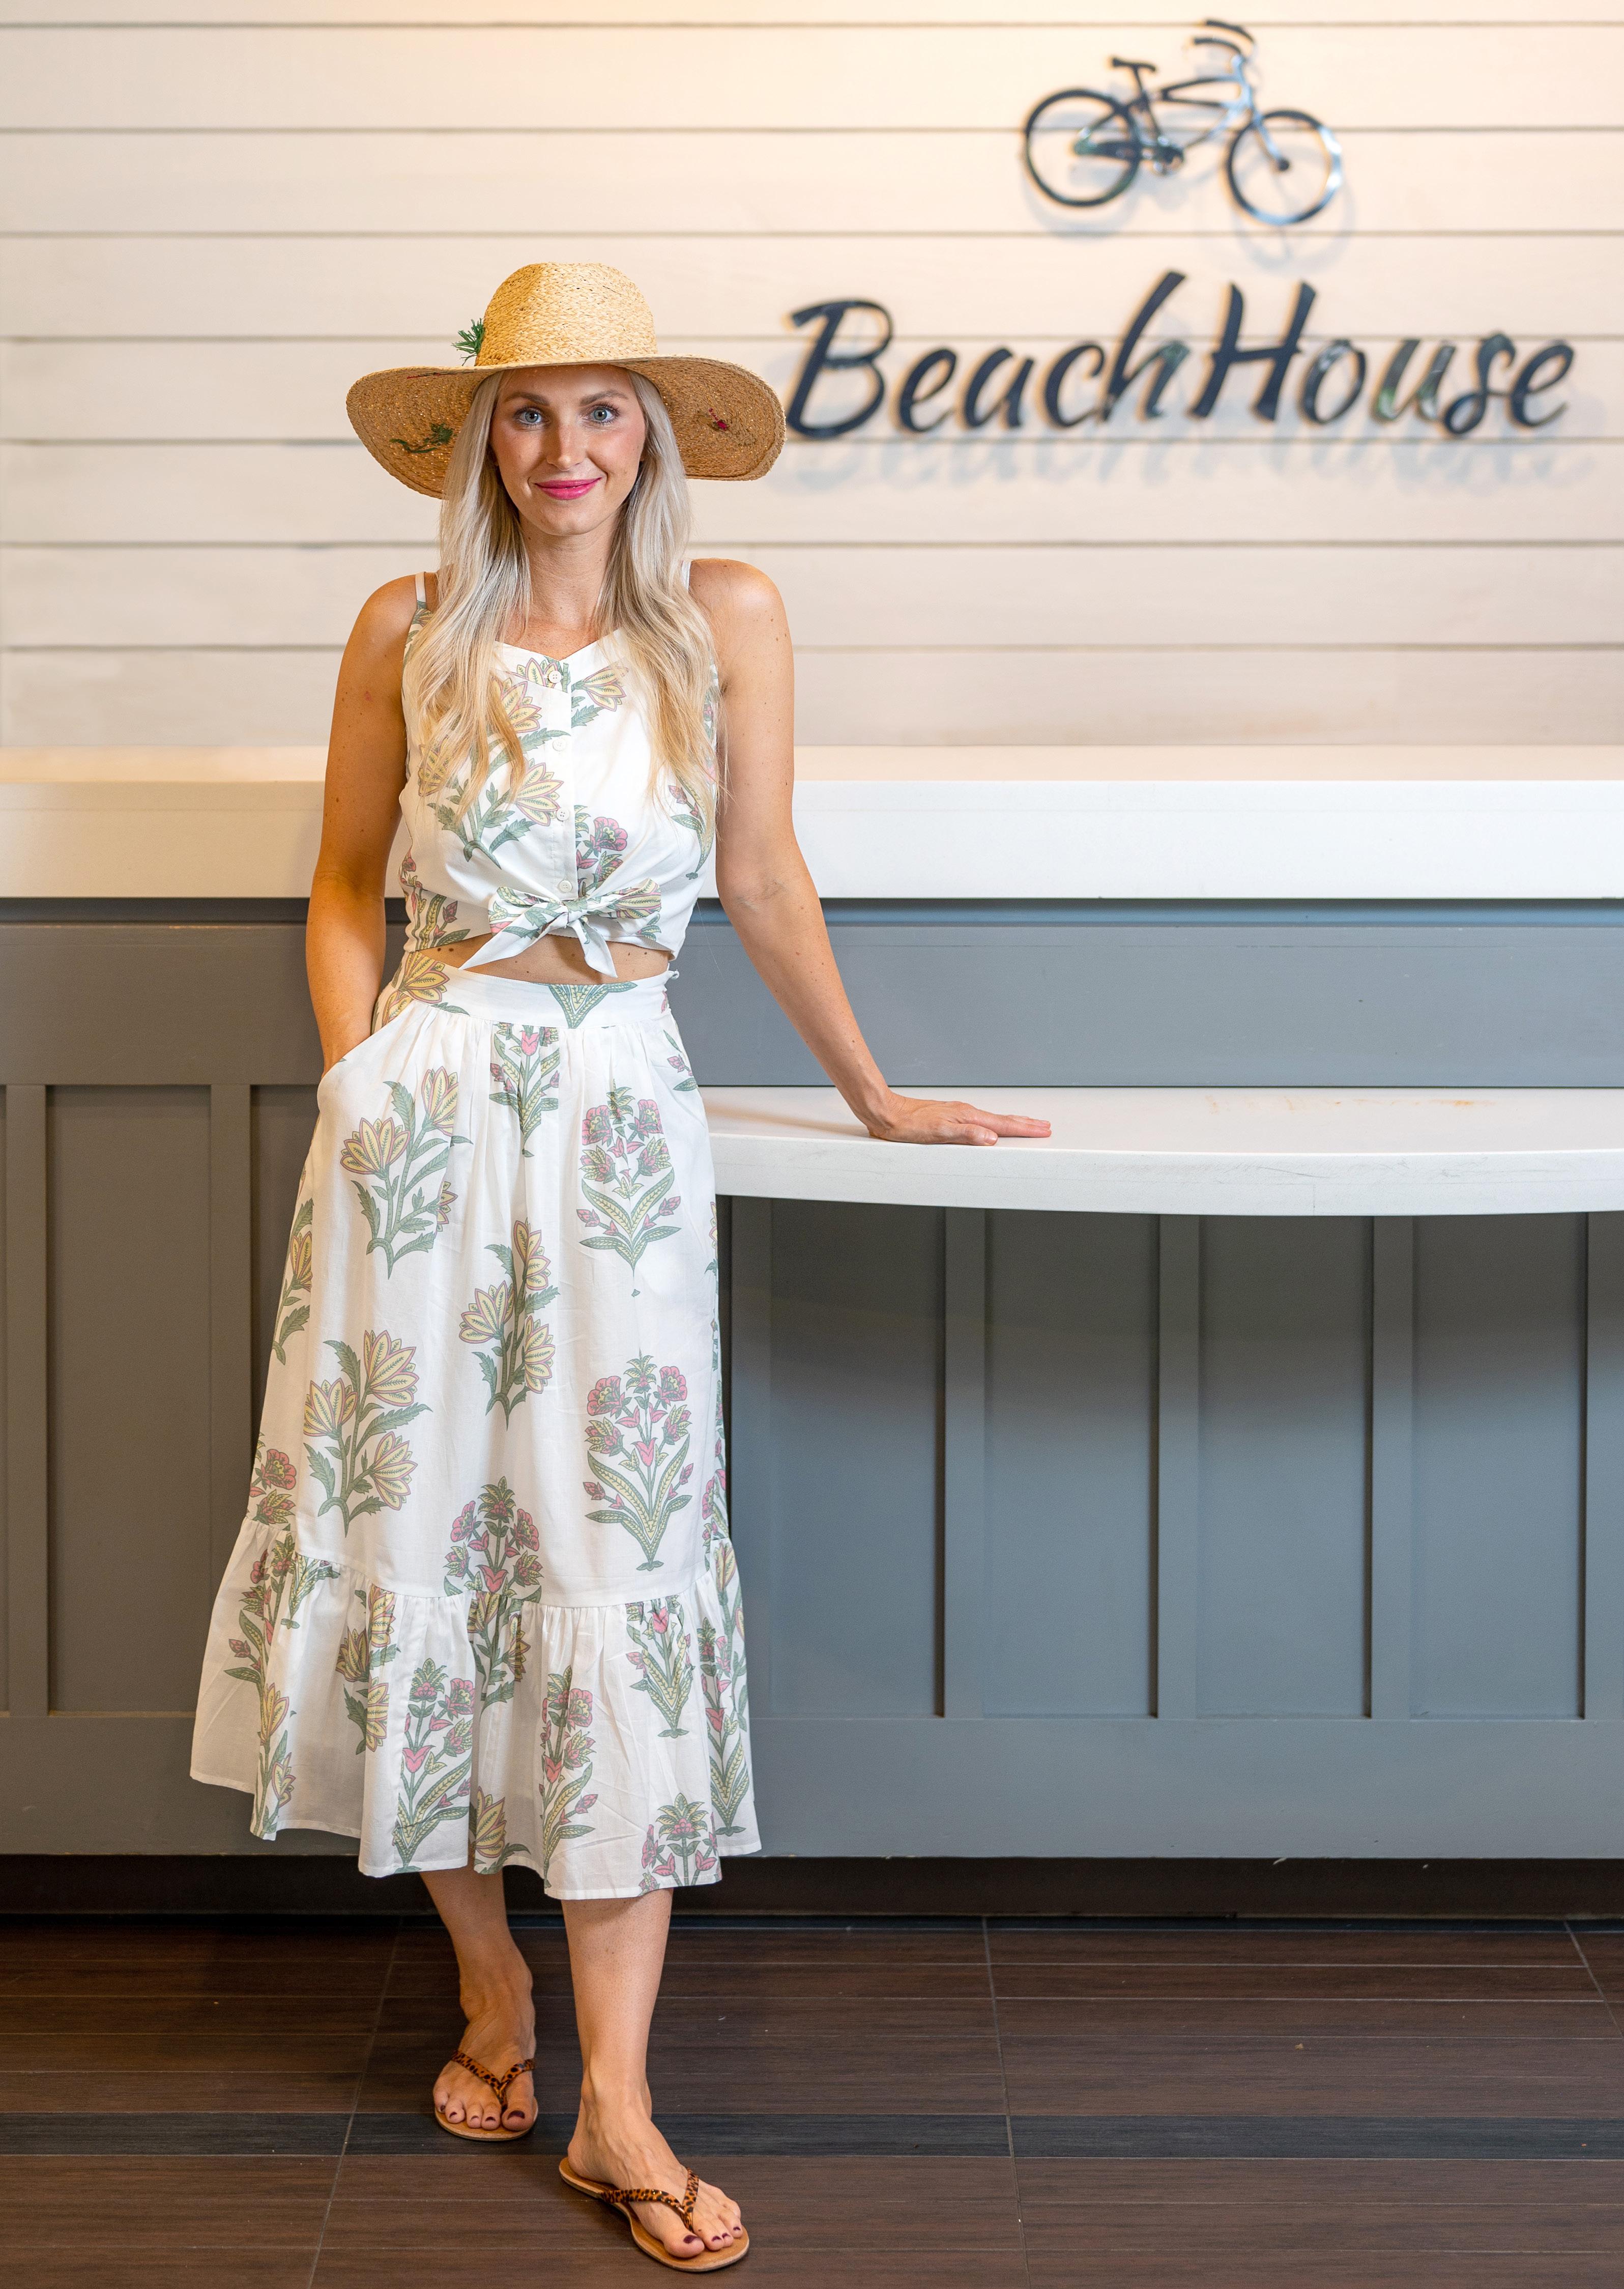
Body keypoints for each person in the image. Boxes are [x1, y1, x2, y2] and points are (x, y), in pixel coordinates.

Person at [189, 262, 1048, 2271]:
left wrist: (872, 1091)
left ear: (652, 434)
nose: (563, 448)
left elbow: (760, 874)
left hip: (618, 1116)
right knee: (411, 1536)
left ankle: (618, 2105)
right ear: (478, 437)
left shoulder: (722, 615)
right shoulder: (405, 626)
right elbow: (341, 883)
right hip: (419, 1113)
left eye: (600, 410)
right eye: (525, 410)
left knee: (613, 1552)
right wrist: (356, 1076)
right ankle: (487, 1983)